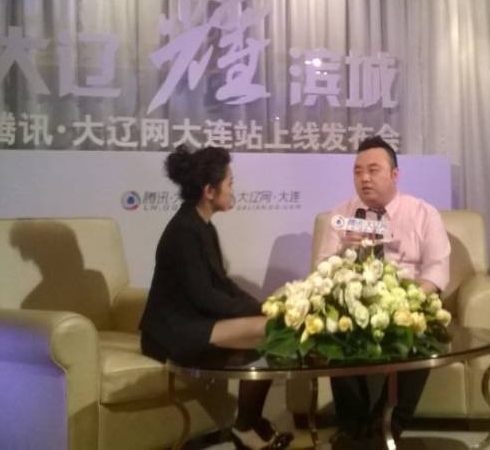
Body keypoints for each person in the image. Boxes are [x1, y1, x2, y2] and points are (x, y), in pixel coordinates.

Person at [139, 145, 293, 450]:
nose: (233, 190)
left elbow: (222, 285)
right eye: (229, 183)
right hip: (173, 332)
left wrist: (263, 306)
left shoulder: (201, 225)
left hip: (193, 321)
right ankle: (246, 426)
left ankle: (248, 423)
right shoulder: (184, 231)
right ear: (209, 191)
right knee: (271, 330)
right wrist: (261, 311)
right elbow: (205, 298)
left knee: (272, 326)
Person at [315, 136, 451, 445]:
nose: (364, 178)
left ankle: (385, 428)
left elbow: (437, 270)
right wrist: (344, 252)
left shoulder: (423, 213)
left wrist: (409, 301)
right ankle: (352, 427)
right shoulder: (341, 215)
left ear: (394, 175)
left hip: (408, 297)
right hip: (355, 301)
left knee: (422, 327)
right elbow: (321, 269)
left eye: (373, 170)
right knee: (336, 327)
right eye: (358, 171)